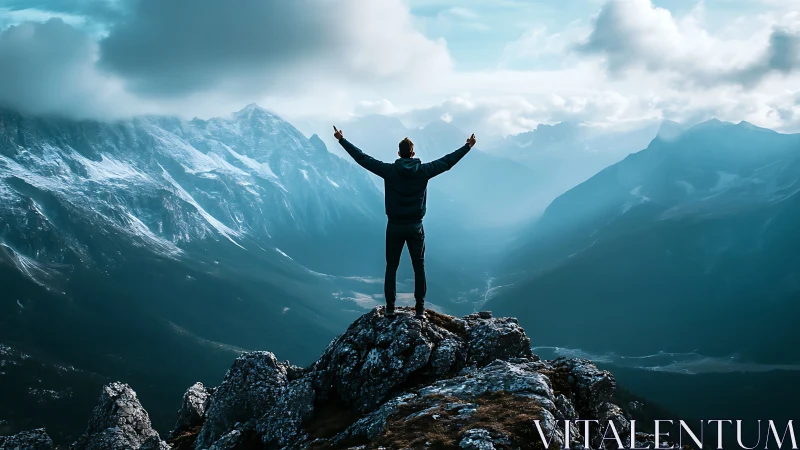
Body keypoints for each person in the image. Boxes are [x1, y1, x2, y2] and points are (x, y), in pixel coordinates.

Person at [333, 125, 476, 319]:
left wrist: (342, 140)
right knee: (419, 265)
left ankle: (390, 308)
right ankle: (419, 310)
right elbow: (447, 162)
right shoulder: (424, 171)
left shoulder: (389, 171)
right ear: (413, 153)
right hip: (416, 226)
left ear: (399, 153)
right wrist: (467, 146)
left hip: (394, 226)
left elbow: (362, 159)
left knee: (391, 266)